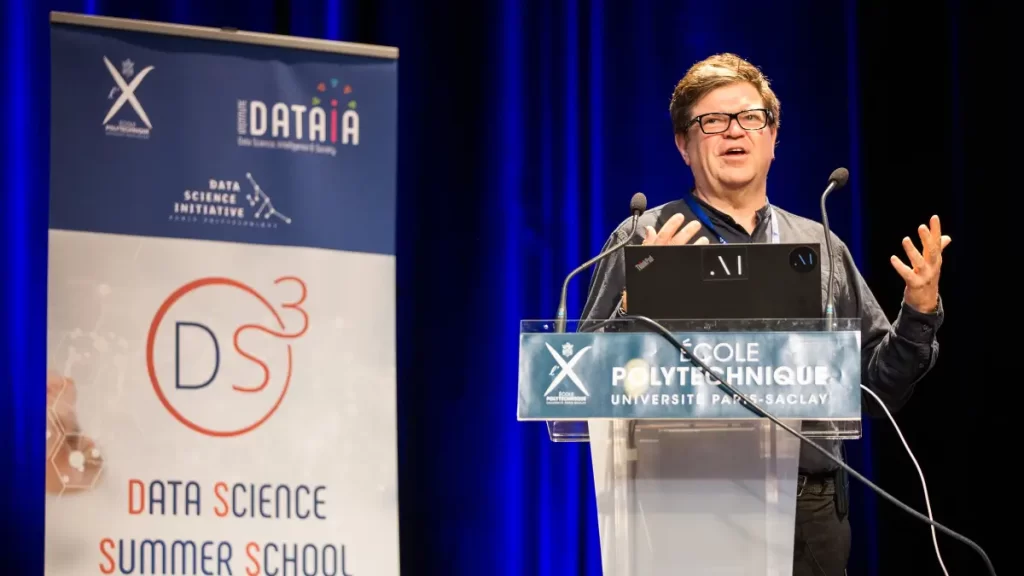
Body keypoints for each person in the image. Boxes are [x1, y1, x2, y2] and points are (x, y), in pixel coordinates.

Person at [579, 53, 950, 575]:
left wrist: (918, 313)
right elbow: (582, 377)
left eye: (751, 118)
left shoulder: (818, 244)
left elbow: (875, 388)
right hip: (683, 502)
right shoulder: (644, 239)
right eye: (712, 121)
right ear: (684, 144)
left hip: (809, 509)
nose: (735, 131)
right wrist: (636, 305)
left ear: (774, 138)